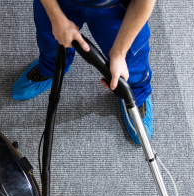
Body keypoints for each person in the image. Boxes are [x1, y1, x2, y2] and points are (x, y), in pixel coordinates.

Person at [12, 0, 156, 145]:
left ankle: (135, 92)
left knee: (131, 63)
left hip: (117, 7)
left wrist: (119, 53)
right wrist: (56, 16)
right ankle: (50, 69)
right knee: (51, 43)